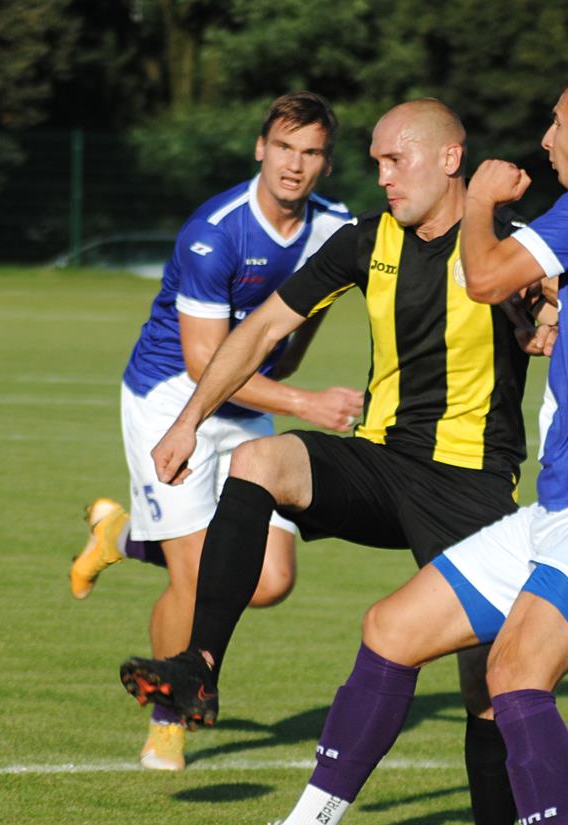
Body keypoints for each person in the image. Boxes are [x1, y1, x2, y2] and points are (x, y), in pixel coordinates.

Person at [184, 64, 568, 825]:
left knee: (513, 672)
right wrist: (555, 321)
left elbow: (484, 275)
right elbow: (565, 311)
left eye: (554, 126)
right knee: (392, 628)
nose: (541, 144)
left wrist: (484, 203)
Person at [117, 98, 552, 825]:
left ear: (450, 159)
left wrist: (547, 317)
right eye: (377, 161)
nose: (380, 176)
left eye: (397, 161)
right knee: (260, 458)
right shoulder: (364, 240)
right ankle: (200, 668)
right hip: (384, 465)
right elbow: (257, 331)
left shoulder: (506, 242)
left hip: (473, 487)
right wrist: (187, 419)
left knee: (487, 685)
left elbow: (557, 311)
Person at [68, 92, 363, 771]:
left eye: (311, 152)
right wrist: (303, 402)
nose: (295, 164)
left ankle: (124, 535)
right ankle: (168, 717)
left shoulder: (335, 227)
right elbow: (206, 363)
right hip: (174, 399)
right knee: (200, 581)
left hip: (245, 395)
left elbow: (318, 304)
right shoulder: (216, 231)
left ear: (325, 163)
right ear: (260, 147)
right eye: (284, 147)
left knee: (270, 579)